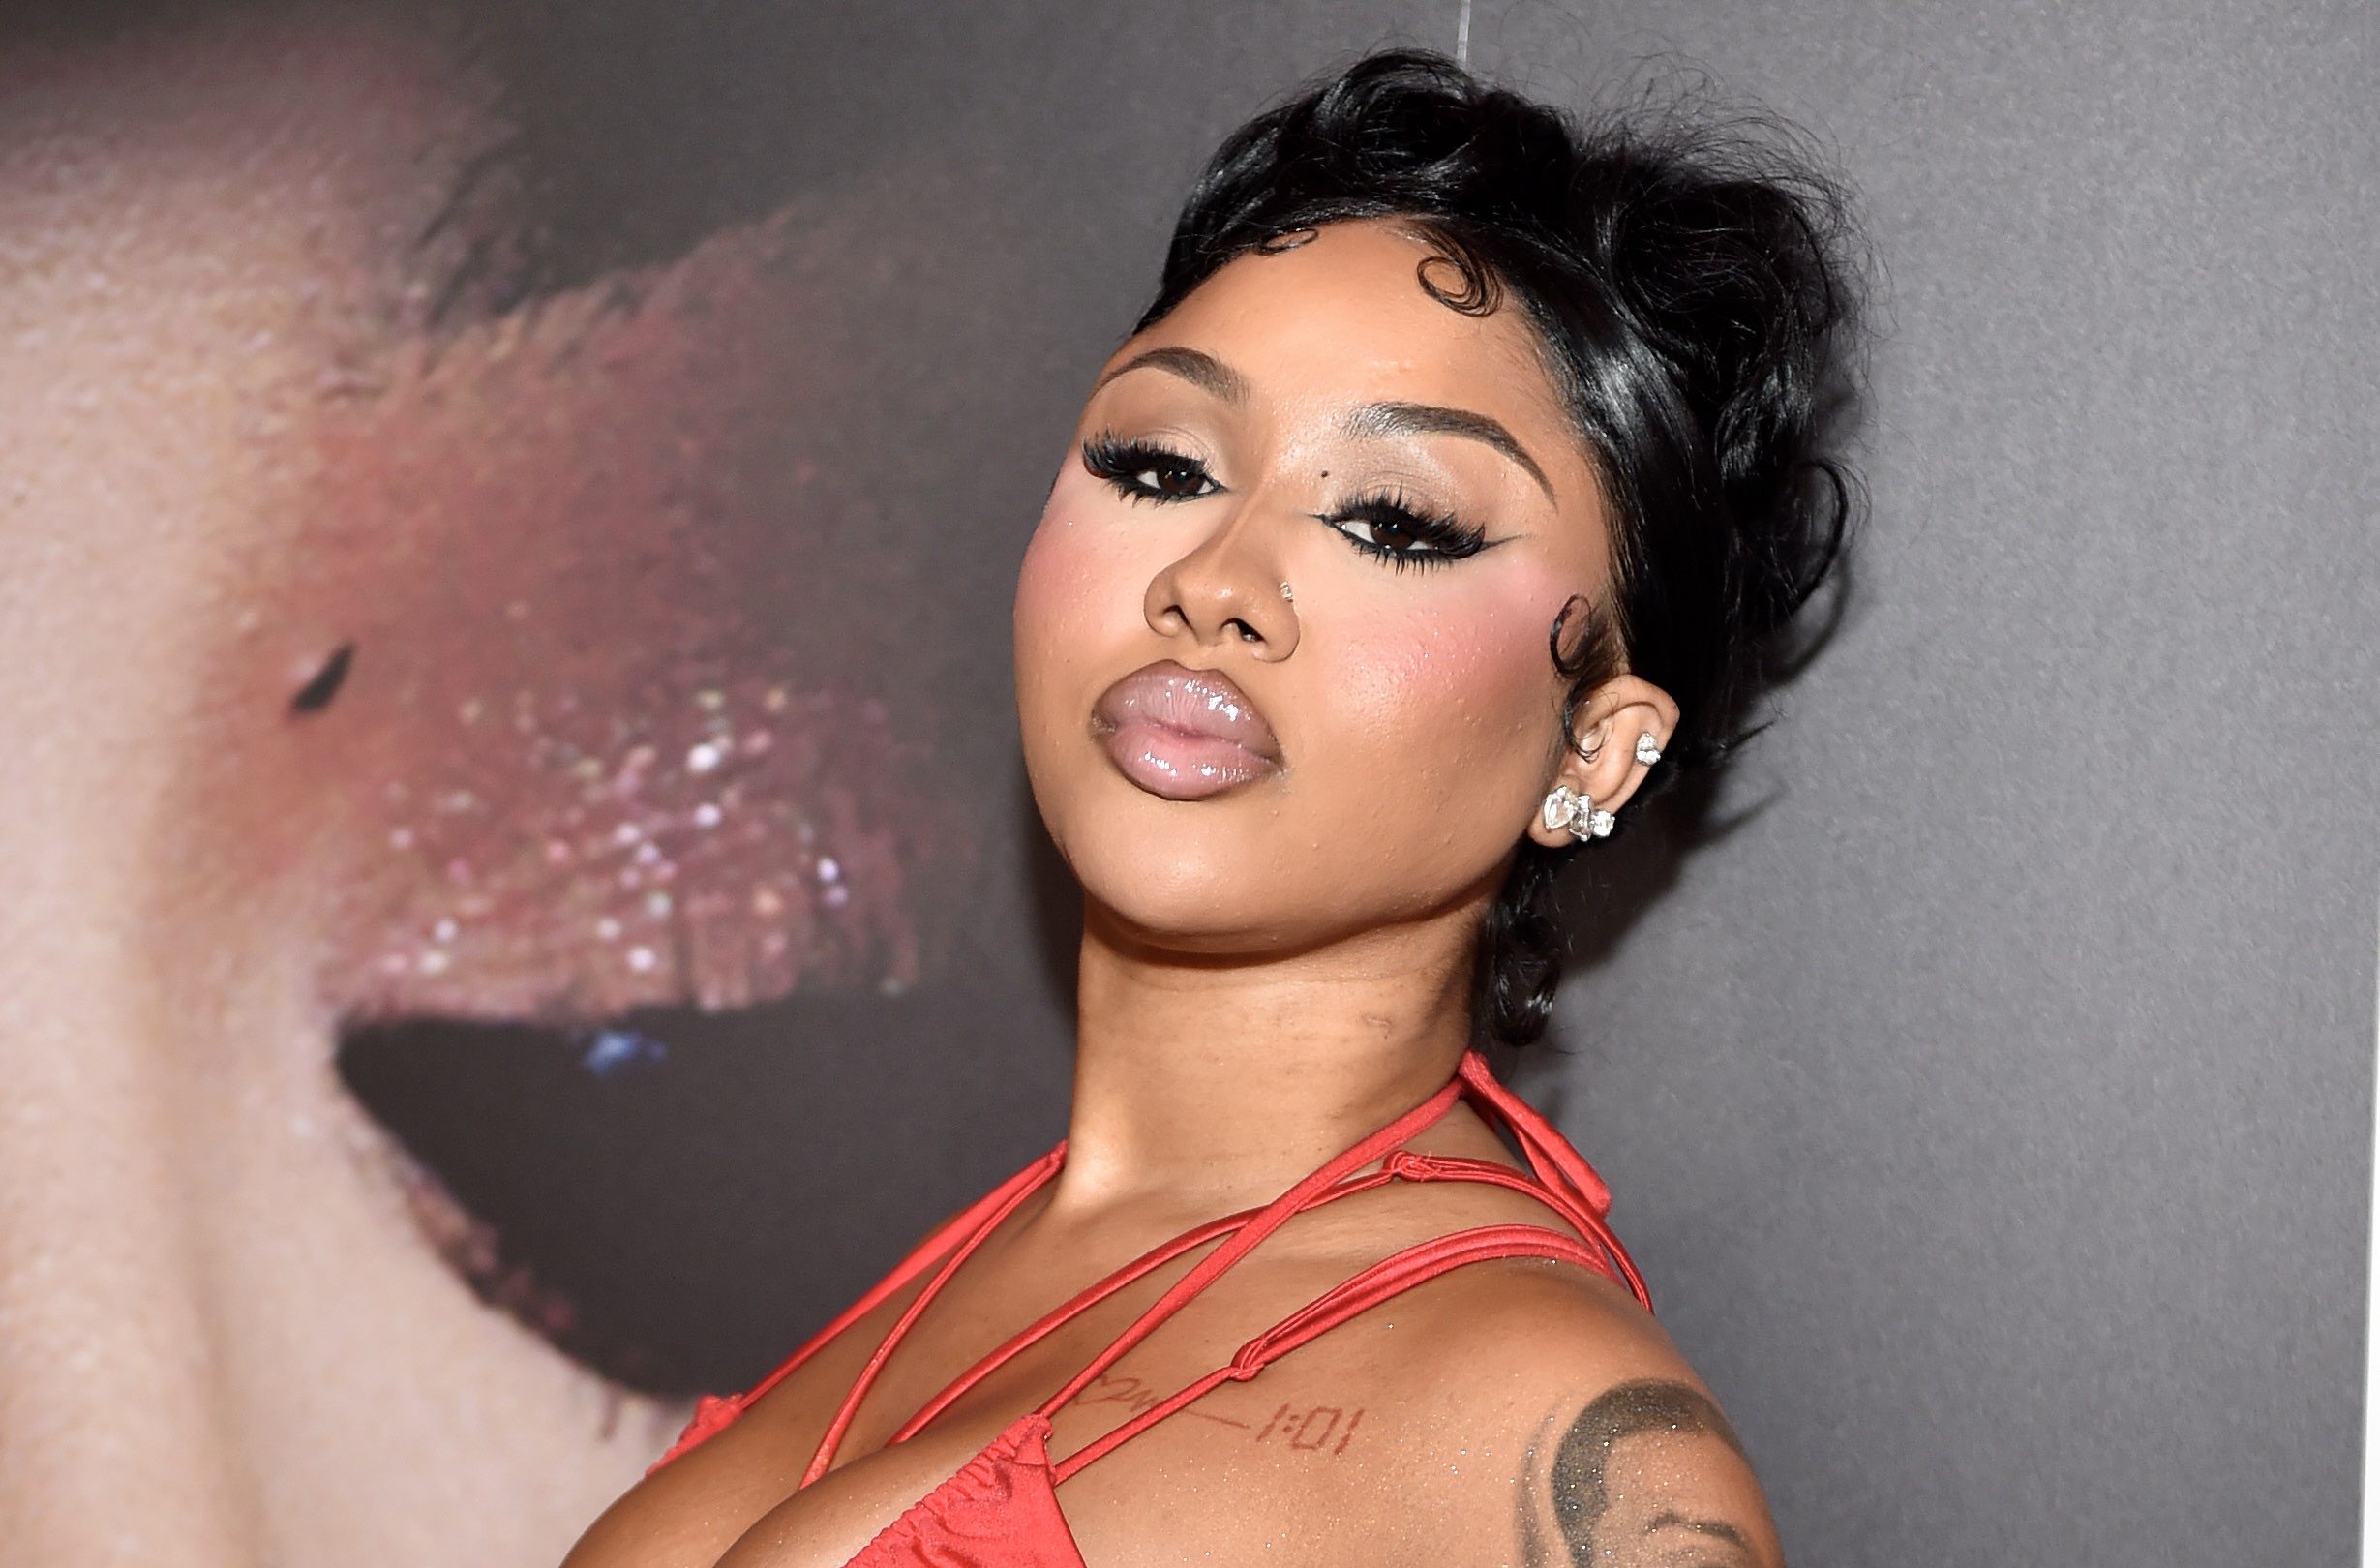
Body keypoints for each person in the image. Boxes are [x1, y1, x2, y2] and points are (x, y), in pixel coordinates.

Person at [561, 46, 1860, 1568]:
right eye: (1162, 464)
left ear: (1594, 748)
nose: (1213, 581)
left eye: (1396, 521)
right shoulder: (985, 1261)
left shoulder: (1555, 1439)